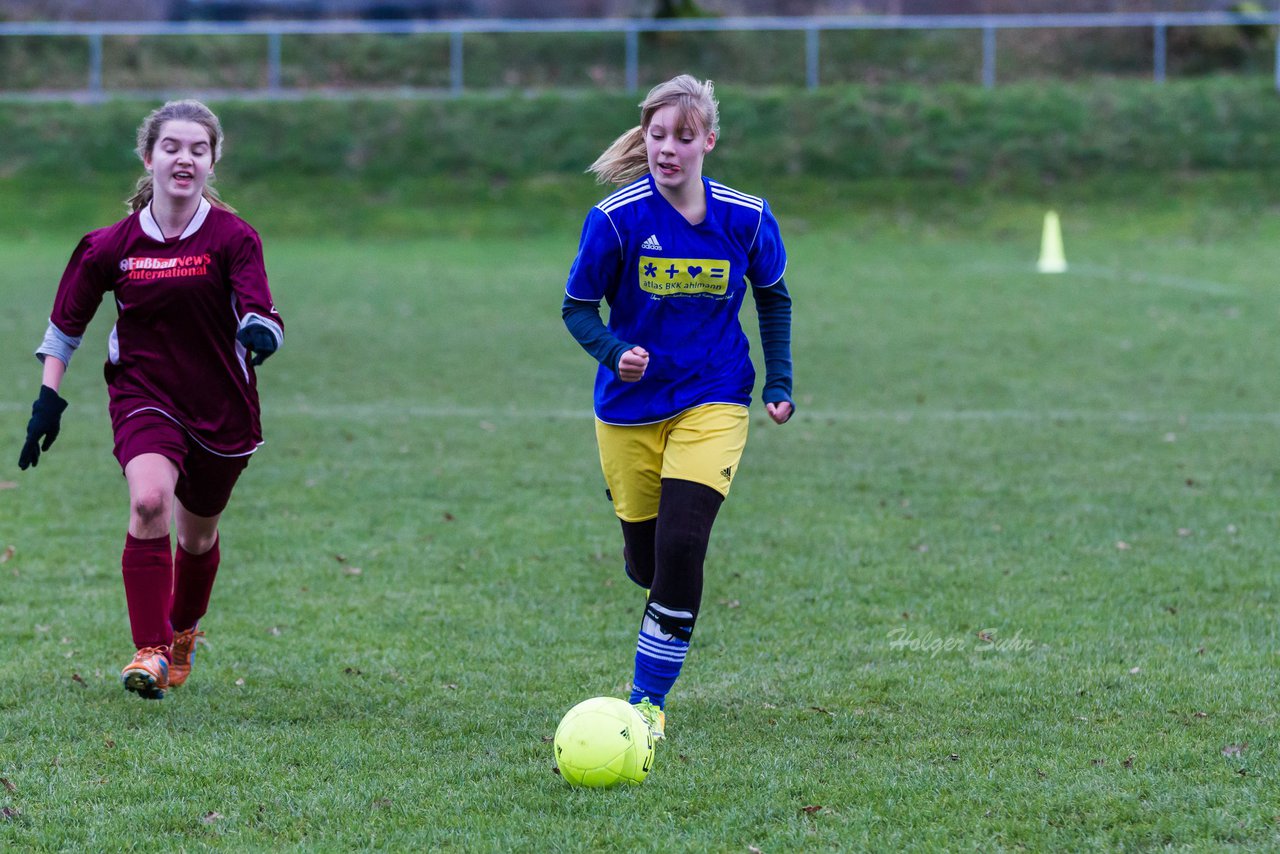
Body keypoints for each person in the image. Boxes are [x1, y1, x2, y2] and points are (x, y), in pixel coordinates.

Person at [18, 100, 284, 700]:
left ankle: (183, 631)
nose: (184, 159)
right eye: (172, 147)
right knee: (147, 503)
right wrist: (47, 399)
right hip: (145, 395)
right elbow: (65, 328)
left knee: (196, 538)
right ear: (149, 157)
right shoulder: (109, 245)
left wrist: (260, 332)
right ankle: (152, 650)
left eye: (197, 149)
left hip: (221, 406)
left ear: (212, 160)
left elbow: (261, 310)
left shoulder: (234, 237)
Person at [561, 75, 794, 739]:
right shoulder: (615, 220)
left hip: (716, 396)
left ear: (708, 142)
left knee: (684, 546)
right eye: (657, 134)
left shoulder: (747, 218)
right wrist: (612, 350)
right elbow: (577, 308)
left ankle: (646, 702)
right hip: (630, 410)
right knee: (647, 562)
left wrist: (778, 380)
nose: (667, 148)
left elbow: (774, 295)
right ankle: (658, 592)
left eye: (682, 137)